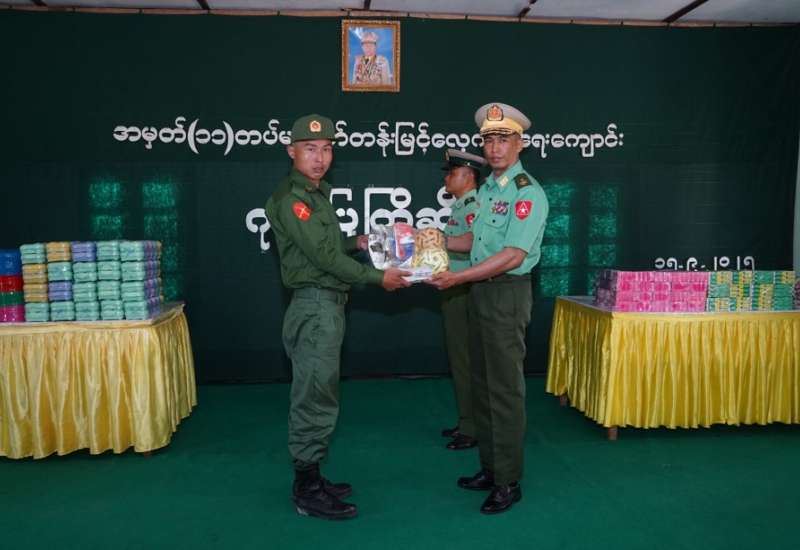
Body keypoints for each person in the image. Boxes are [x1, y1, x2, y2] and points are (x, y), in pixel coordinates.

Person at [265, 114, 410, 520]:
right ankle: (306, 489)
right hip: (315, 308)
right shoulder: (292, 199)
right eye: (310, 149)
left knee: (320, 392)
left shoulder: (314, 194)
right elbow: (323, 258)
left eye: (327, 149)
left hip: (324, 307)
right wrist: (379, 277)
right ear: (291, 151)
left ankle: (312, 474)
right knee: (314, 398)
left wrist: (355, 242)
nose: (320, 157)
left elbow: (325, 248)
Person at [427, 103, 549, 515]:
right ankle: (490, 468)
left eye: (504, 139)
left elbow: (513, 255)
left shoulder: (527, 193)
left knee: (504, 391)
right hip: (480, 291)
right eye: (489, 139)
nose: (495, 147)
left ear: (521, 143)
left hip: (506, 294)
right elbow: (472, 243)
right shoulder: (489, 192)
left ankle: (508, 481)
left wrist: (459, 278)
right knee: (481, 383)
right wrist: (430, 239)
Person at [438, 149, 485, 451]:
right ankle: (467, 420)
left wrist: (437, 239)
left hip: (465, 290)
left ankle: (473, 427)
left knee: (467, 361)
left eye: (452, 173)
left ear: (468, 176)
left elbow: (473, 243)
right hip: (454, 288)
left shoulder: (473, 205)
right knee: (460, 359)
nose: (447, 178)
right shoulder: (460, 206)